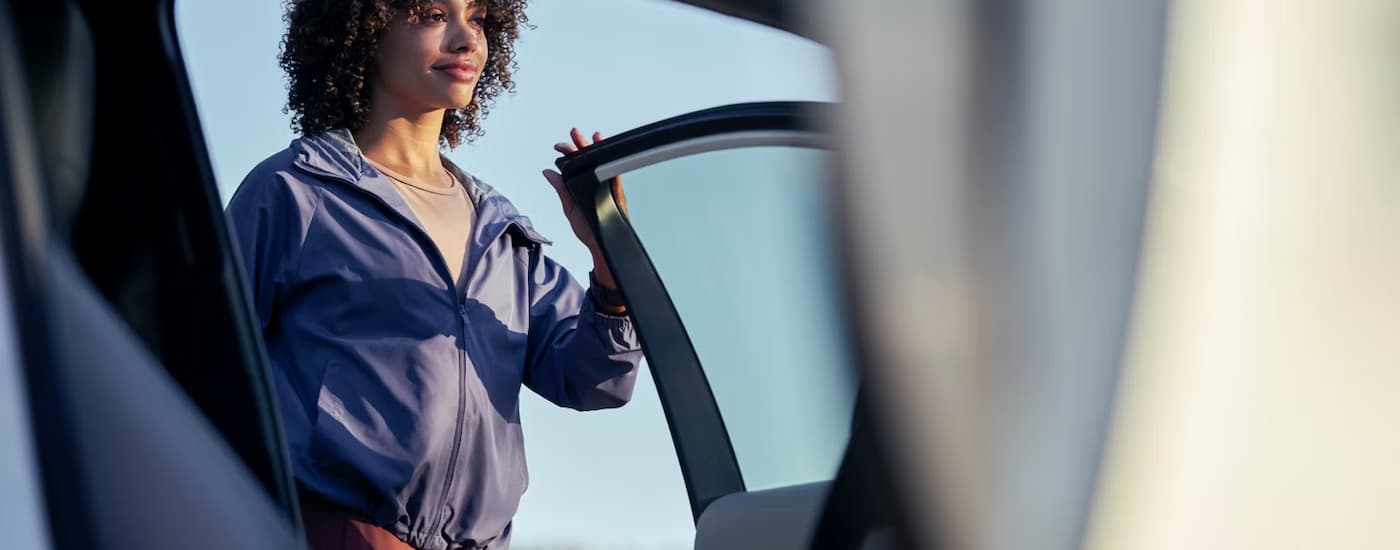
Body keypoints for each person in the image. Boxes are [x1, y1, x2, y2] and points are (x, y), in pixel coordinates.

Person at [225, 1, 643, 548]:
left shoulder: (502, 231)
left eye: (477, 17)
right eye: (430, 13)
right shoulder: (292, 191)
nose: (466, 39)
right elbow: (203, 377)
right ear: (363, 31)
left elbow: (596, 381)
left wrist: (610, 267)